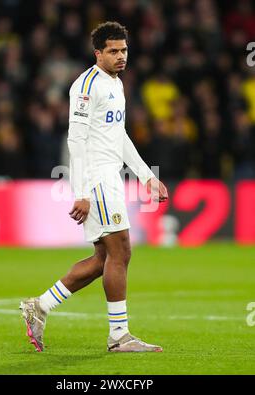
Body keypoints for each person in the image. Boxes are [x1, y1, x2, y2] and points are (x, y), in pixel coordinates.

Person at [20, 21, 168, 353]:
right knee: (121, 251)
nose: (120, 56)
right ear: (97, 52)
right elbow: (77, 139)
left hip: (111, 176)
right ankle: (119, 336)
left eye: (124, 50)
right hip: (97, 179)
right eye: (113, 51)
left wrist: (146, 175)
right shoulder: (86, 86)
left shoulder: (116, 84)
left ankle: (40, 306)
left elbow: (120, 136)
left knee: (105, 258)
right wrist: (82, 192)